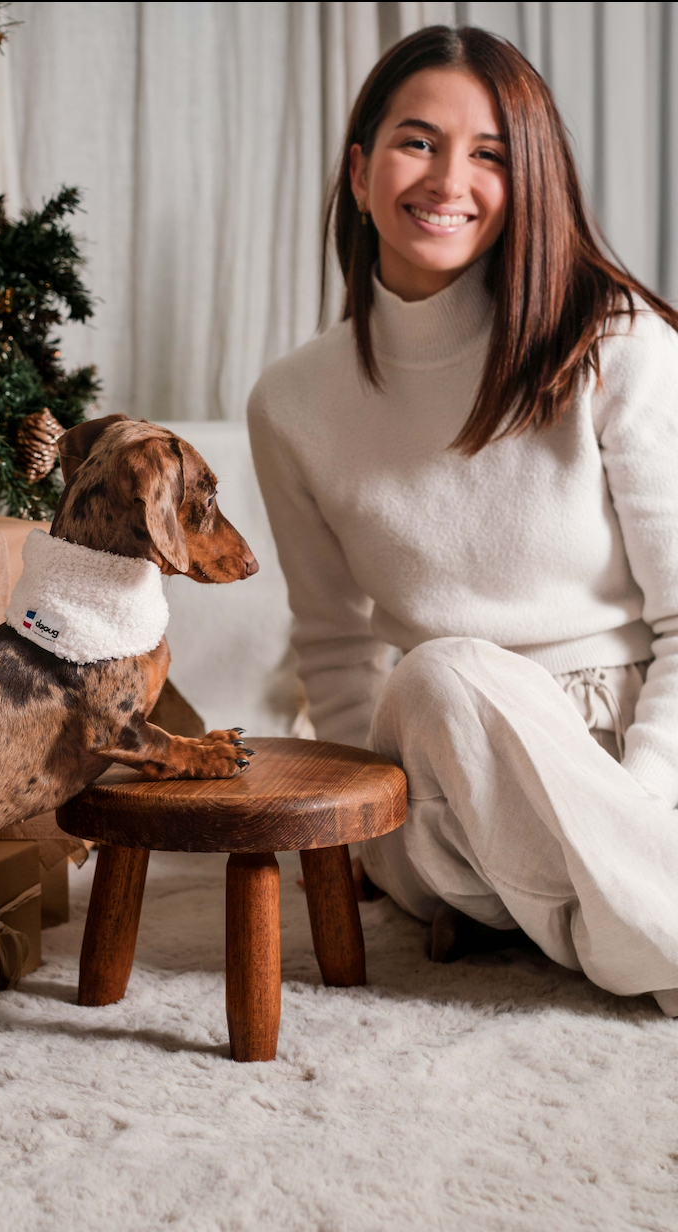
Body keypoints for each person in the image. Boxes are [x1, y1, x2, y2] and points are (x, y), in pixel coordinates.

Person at [247, 25, 678, 1012]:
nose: (449, 179)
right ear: (358, 172)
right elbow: (334, 653)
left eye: (488, 153)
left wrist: (629, 814)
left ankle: (567, 915)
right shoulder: (291, 401)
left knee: (474, 703)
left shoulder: (615, 344)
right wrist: (364, 844)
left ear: (525, 181)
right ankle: (627, 924)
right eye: (417, 141)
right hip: (436, 776)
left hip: (631, 755)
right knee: (446, 671)